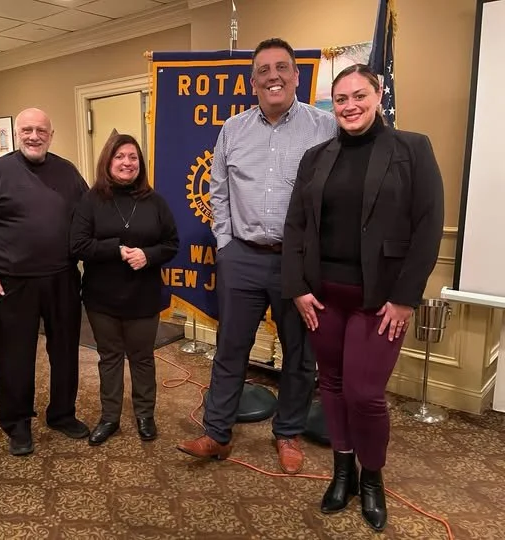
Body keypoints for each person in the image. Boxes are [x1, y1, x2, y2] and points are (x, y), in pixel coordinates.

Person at [282, 64, 444, 531]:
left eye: (359, 96)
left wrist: (405, 299)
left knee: (365, 394)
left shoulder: (412, 149)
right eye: (341, 99)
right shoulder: (316, 157)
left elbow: (428, 227)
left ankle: (371, 478)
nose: (350, 106)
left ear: (378, 94)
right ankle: (343, 472)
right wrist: (297, 287)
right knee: (331, 385)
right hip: (323, 297)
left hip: (381, 299)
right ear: (332, 105)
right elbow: (296, 226)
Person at [177, 38, 337, 473]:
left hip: (298, 262)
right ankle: (217, 434)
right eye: (263, 70)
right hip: (242, 257)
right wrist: (225, 243)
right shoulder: (233, 129)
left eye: (282, 67)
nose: (273, 76)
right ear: (253, 82)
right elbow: (218, 189)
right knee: (230, 349)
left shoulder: (324, 128)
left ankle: (287, 434)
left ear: (296, 75)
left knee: (298, 353)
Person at [0, 108, 90, 456]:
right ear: (16, 134)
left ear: (51, 135)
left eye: (41, 130)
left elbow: (88, 218)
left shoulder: (68, 172)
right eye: (27, 130)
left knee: (66, 351)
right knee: (14, 356)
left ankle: (62, 414)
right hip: (11, 281)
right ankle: (17, 423)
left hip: (62, 278)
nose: (34, 136)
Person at [70, 134, 179, 446]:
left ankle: (145, 414)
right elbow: (78, 245)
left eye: (133, 157)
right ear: (108, 161)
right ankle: (110, 417)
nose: (127, 163)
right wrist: (115, 249)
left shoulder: (155, 202)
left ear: (139, 164)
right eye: (119, 156)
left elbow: (172, 244)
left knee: (142, 357)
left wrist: (148, 255)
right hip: (101, 298)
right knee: (110, 357)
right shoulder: (91, 200)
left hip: (144, 297)